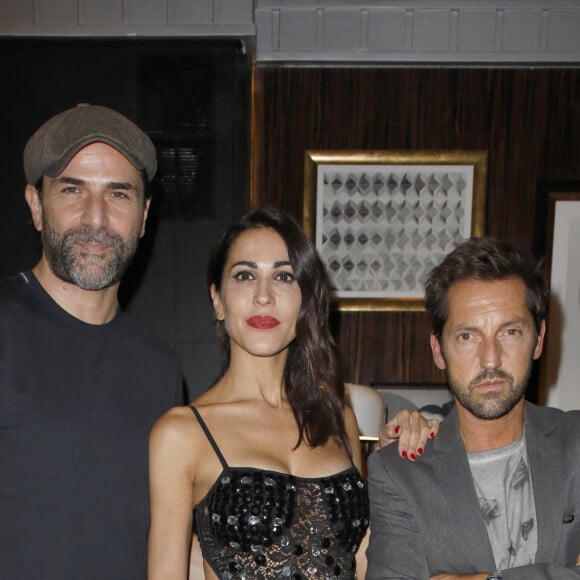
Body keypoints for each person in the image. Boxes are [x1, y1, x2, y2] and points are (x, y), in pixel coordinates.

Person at [148, 208, 435, 580]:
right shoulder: (180, 433)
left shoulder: (337, 415)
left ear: (305, 300)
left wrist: (397, 466)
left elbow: (361, 561)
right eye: (245, 275)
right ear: (217, 300)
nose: (264, 296)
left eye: (283, 276)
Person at [0, 104, 184, 580]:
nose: (96, 218)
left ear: (144, 216)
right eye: (72, 190)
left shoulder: (160, 369)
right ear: (35, 205)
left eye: (118, 194)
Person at [366, 237, 580, 580]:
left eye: (510, 332)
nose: (490, 358)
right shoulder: (399, 472)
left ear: (538, 339)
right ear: (438, 350)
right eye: (468, 336)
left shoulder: (575, 444)